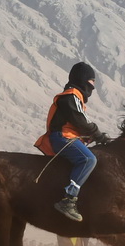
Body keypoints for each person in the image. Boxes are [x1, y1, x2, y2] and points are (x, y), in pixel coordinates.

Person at [34, 62, 112, 222]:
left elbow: (79, 125)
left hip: (69, 137)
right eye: (91, 82)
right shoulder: (71, 96)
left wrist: (91, 136)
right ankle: (68, 200)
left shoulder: (75, 98)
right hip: (62, 138)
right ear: (83, 80)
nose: (92, 88)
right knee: (89, 159)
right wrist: (99, 136)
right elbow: (81, 122)